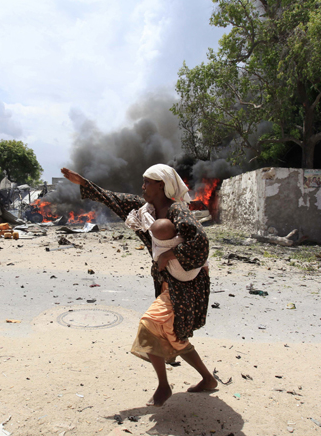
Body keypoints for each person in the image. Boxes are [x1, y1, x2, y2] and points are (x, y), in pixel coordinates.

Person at [61, 165, 217, 407]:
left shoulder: (177, 211)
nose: (142, 187)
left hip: (186, 285)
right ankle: (207, 379)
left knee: (149, 325)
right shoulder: (145, 211)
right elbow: (114, 199)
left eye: (147, 182)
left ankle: (164, 387)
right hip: (167, 283)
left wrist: (170, 255)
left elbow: (201, 243)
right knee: (174, 335)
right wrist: (84, 183)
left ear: (161, 185)